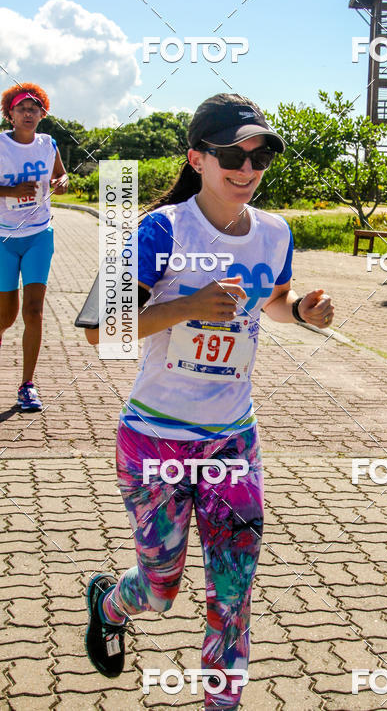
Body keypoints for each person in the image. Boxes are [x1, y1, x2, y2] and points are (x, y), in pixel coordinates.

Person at [83, 93, 334, 708]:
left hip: (232, 442)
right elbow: (96, 327)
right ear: (197, 157)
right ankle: (111, 602)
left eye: (261, 155)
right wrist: (189, 306)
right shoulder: (162, 229)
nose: (247, 169)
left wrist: (298, 310)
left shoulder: (275, 233)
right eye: (231, 155)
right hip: (155, 441)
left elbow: (270, 298)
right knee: (161, 590)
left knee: (233, 593)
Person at [0, 82, 68, 410]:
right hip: (3, 238)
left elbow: (61, 175)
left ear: (42, 113)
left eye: (34, 109)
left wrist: (61, 182)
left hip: (40, 235)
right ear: (9, 114)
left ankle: (27, 385)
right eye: (21, 109)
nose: (28, 113)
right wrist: (8, 193)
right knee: (6, 316)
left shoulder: (48, 143)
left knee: (34, 310)